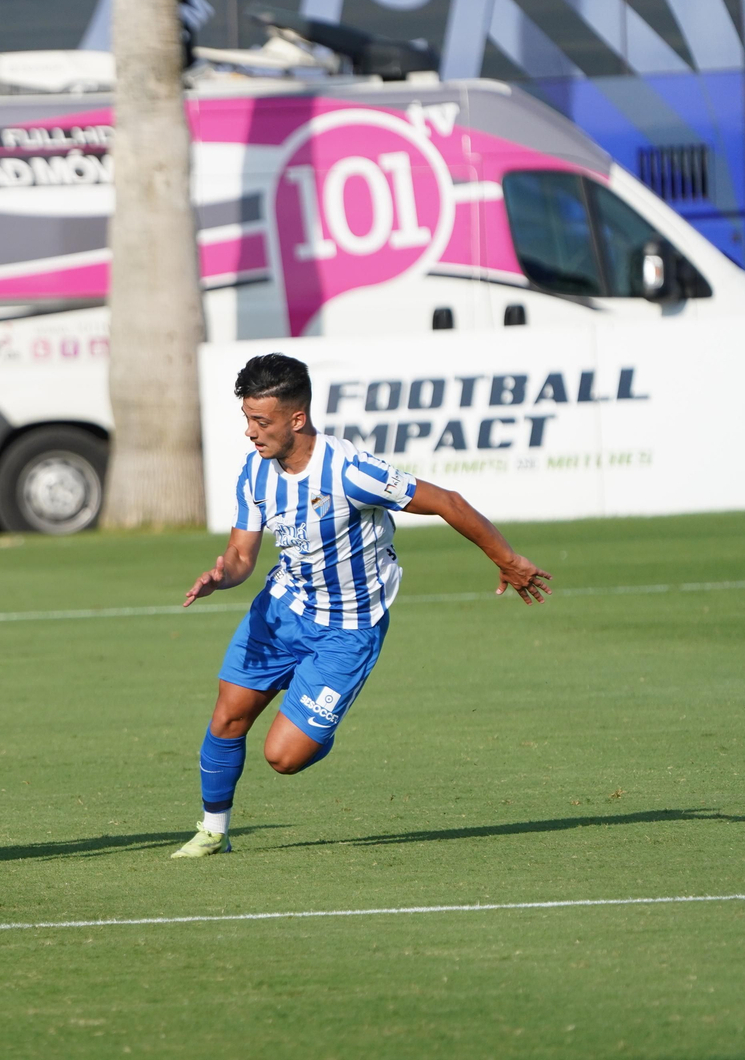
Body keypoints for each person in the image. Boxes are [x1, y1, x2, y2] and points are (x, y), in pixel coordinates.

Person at [172, 353, 550, 858]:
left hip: (348, 630)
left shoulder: (351, 470)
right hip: (281, 611)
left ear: (297, 418)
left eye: (261, 421)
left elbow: (447, 501)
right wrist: (223, 576)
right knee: (227, 717)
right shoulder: (256, 472)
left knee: (283, 757)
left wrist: (507, 559)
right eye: (246, 419)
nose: (250, 432)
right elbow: (242, 554)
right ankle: (213, 831)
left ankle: (319, 713)